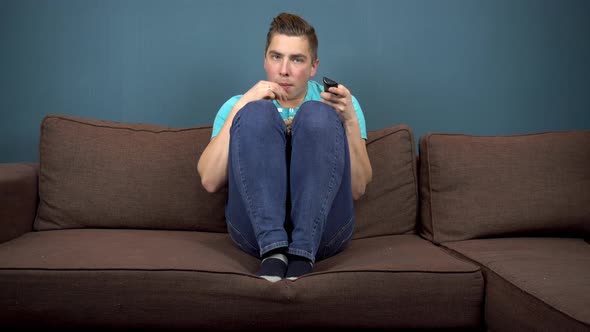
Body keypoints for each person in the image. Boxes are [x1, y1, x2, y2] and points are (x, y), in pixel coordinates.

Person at [197, 12, 372, 282]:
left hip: (324, 232)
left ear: (313, 66)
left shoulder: (341, 105)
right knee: (257, 113)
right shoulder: (240, 105)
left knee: (318, 114)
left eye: (297, 59)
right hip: (255, 234)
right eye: (276, 57)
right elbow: (209, 180)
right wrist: (243, 105)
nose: (284, 70)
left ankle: (302, 254)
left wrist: (348, 119)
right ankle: (275, 252)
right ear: (265, 59)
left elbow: (358, 189)